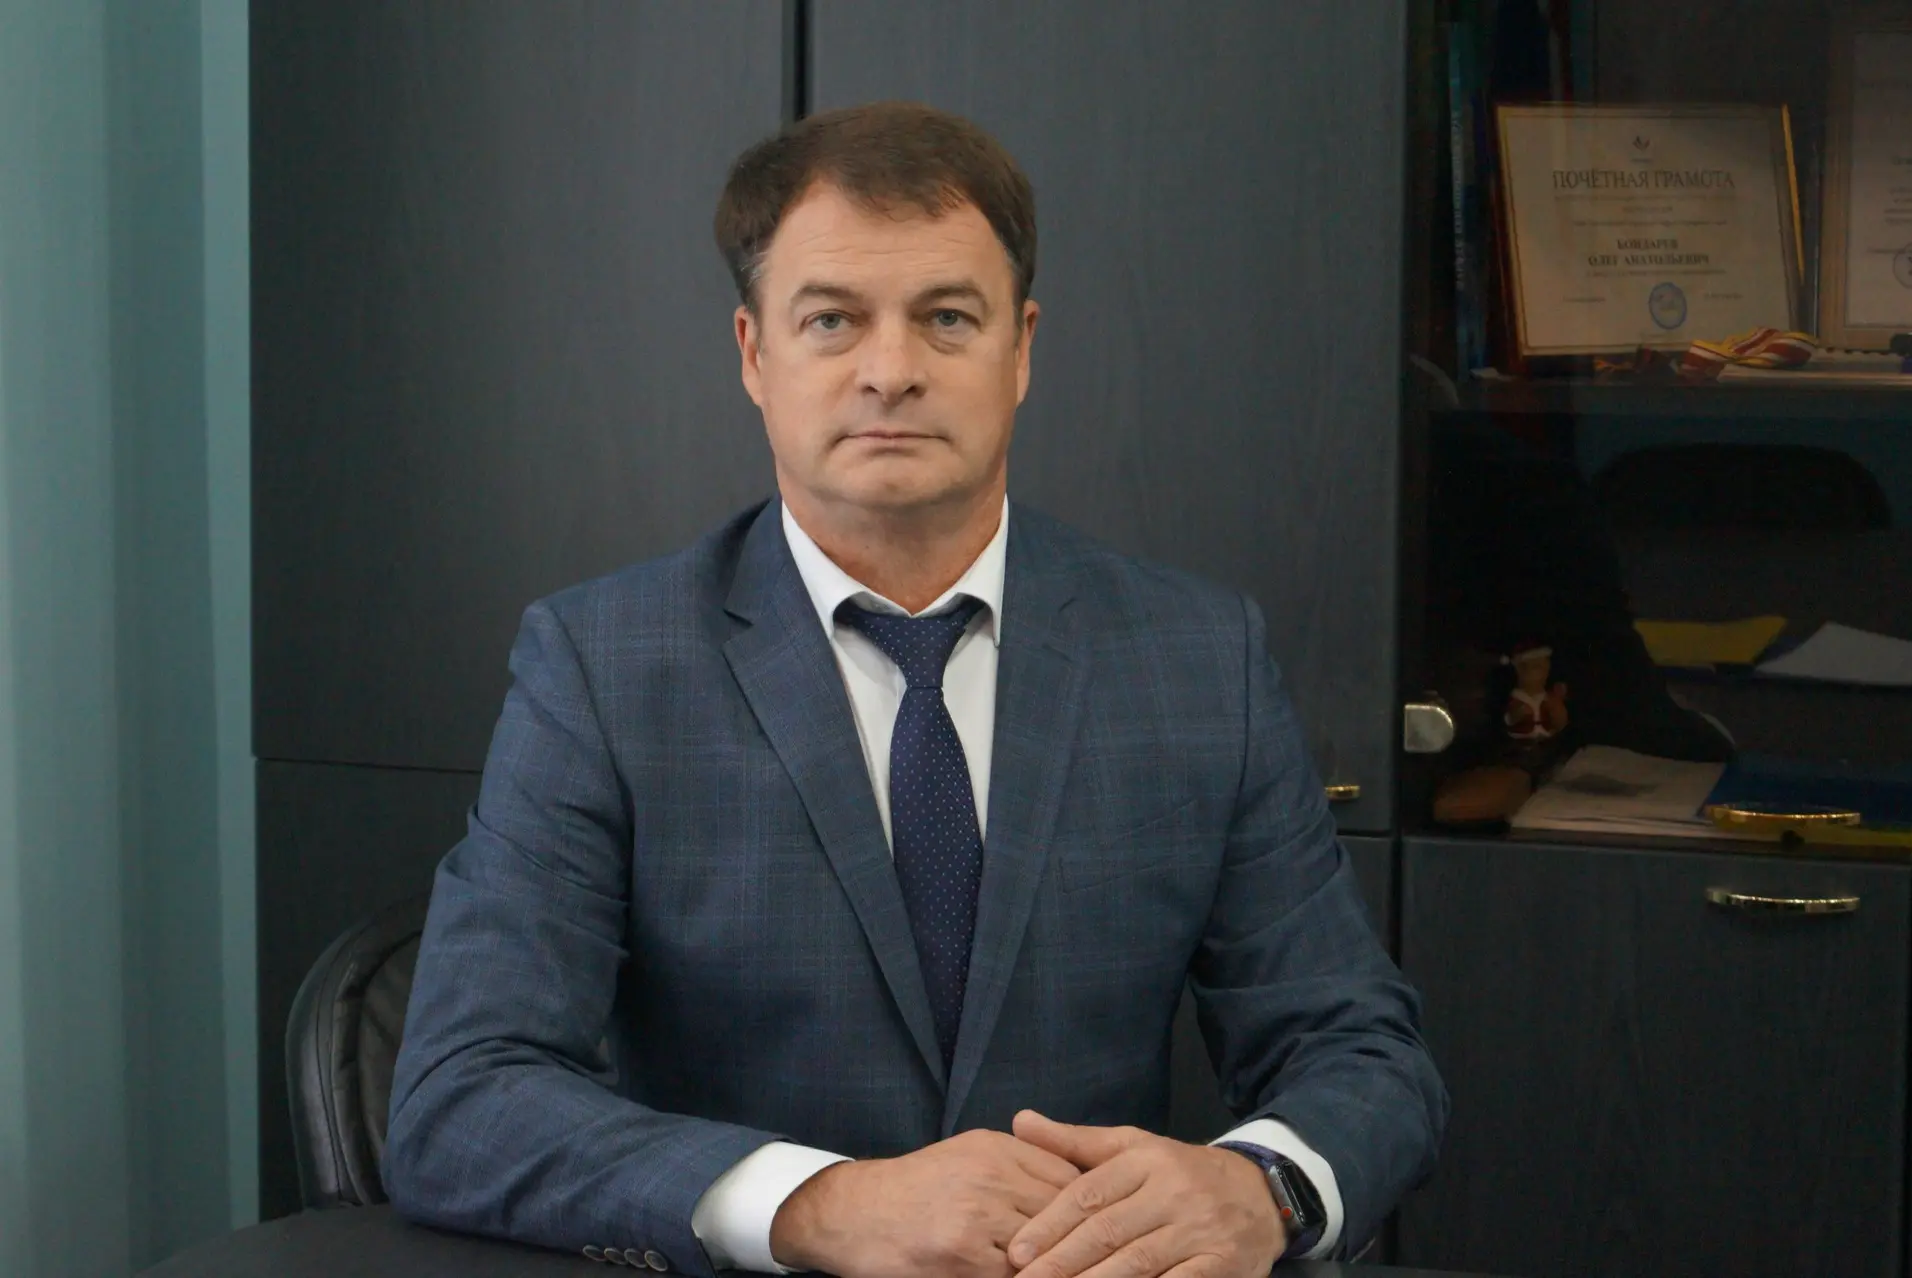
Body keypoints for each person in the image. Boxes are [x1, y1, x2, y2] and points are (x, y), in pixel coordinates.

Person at [384, 101, 1446, 1278]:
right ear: (754, 354)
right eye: (831, 320)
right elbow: (459, 1099)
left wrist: (1263, 1189)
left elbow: (1364, 1055)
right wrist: (821, 1206)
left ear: (1021, 349)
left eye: (946, 318)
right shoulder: (602, 668)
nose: (890, 373)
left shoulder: (1197, 658)